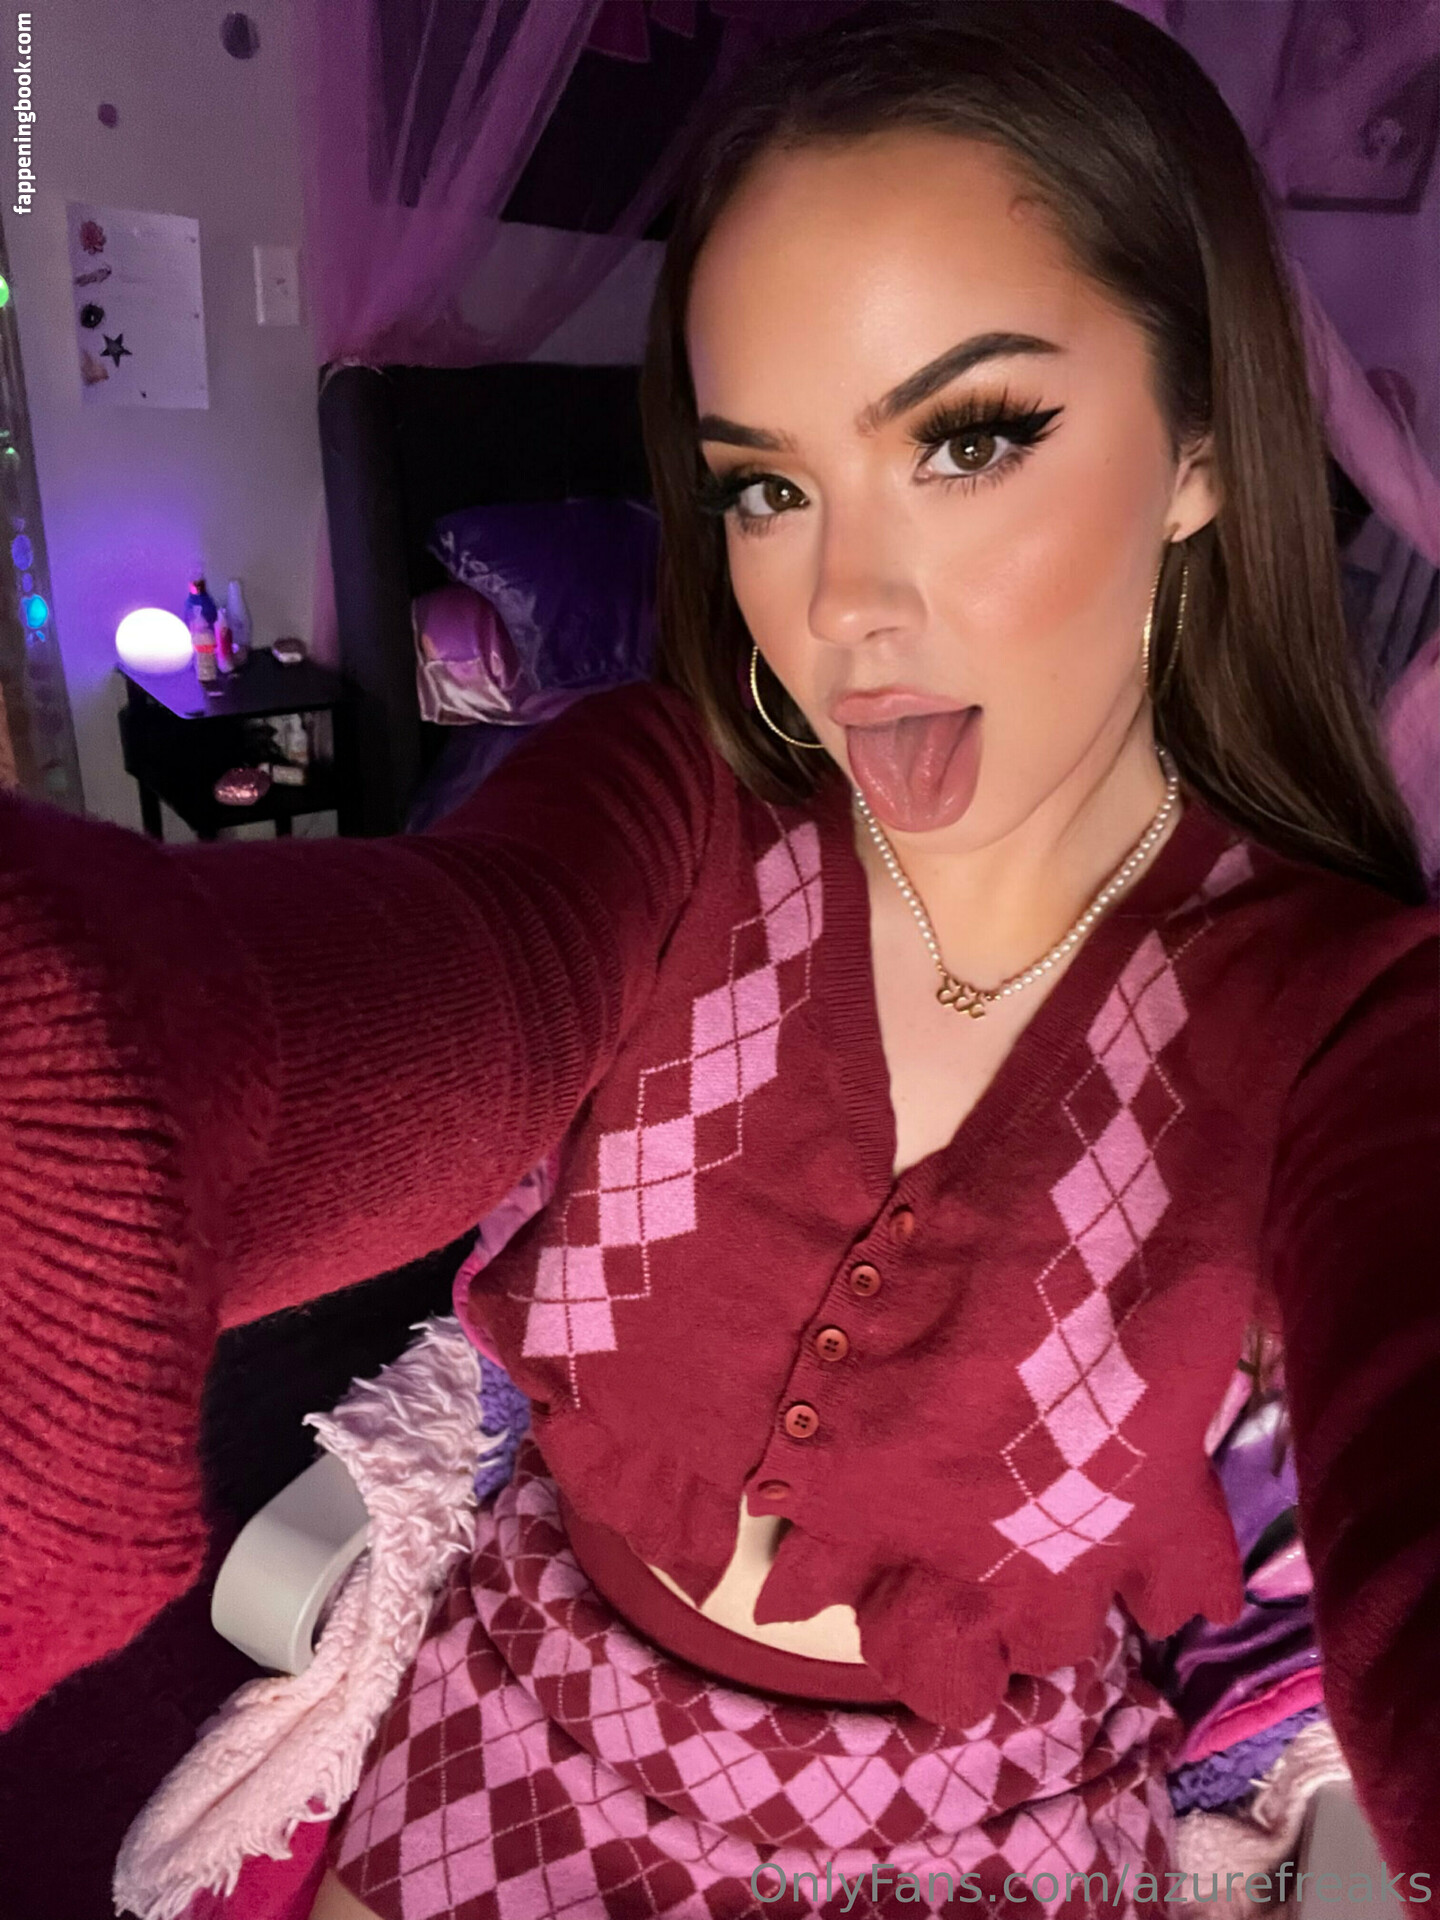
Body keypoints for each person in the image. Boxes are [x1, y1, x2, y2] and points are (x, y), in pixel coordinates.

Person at [2, 3, 1436, 1914]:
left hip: (985, 1829)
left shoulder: (1351, 1011)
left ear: (1198, 448)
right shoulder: (671, 802)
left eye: (968, 440)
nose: (840, 607)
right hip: (534, 1712)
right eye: (765, 484)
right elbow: (351, 1024)